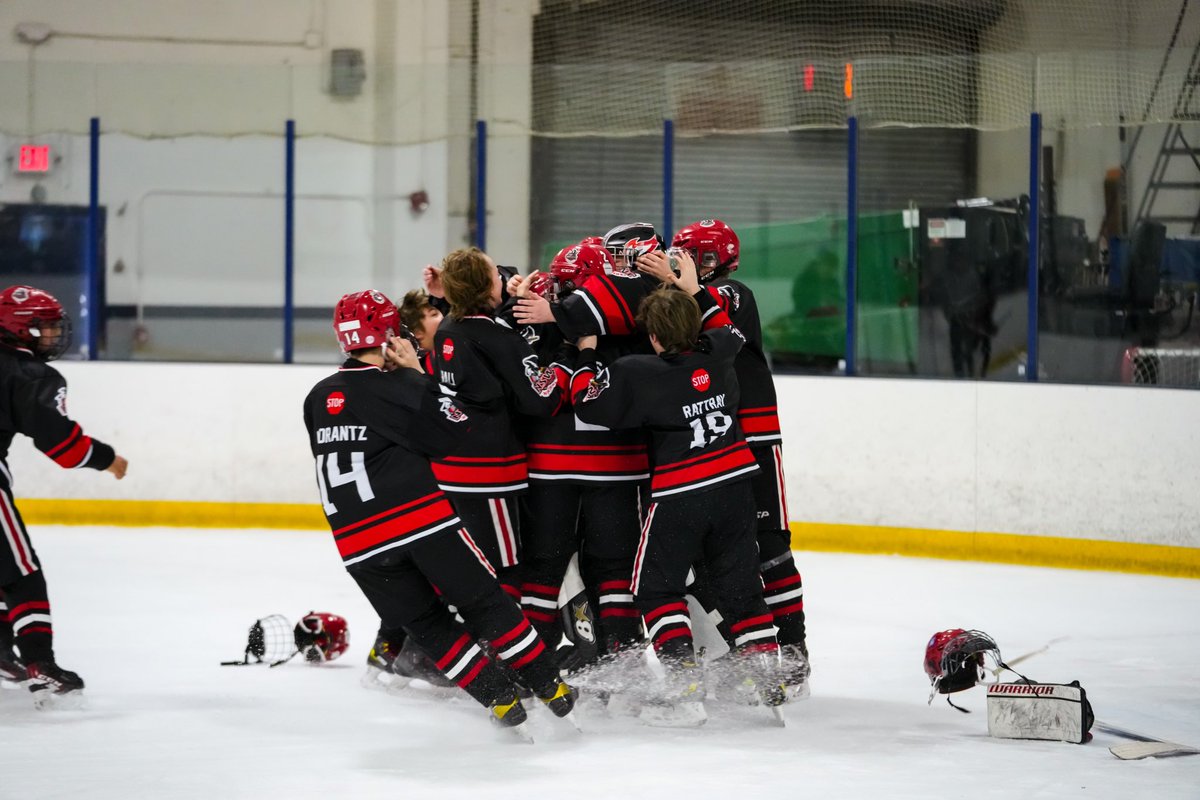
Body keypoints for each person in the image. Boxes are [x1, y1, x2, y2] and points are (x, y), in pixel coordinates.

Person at [302, 289, 575, 732]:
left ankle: (499, 701)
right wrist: (415, 373)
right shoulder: (395, 385)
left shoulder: (317, 397)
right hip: (419, 521)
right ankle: (551, 689)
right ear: (391, 334)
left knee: (428, 626)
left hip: (357, 545)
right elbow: (454, 431)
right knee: (485, 602)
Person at [570, 256, 790, 724]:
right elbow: (724, 325)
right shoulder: (720, 348)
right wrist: (691, 288)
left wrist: (587, 352)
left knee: (655, 588)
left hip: (680, 494)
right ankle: (769, 691)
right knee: (743, 588)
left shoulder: (638, 370)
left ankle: (684, 691)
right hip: (735, 487)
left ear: (652, 336)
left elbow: (590, 404)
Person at [660, 219, 811, 698]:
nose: (685, 266)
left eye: (695, 258)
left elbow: (712, 311)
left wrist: (685, 284)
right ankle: (744, 648)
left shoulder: (734, 291)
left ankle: (794, 654)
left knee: (771, 548)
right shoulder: (688, 297)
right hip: (717, 448)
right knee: (718, 554)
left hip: (757, 440)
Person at [511, 243, 649, 663]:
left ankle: (533, 660)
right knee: (615, 569)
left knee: (544, 565)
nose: (561, 288)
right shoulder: (638, 324)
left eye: (569, 281)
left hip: (551, 466)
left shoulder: (543, 318)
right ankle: (622, 658)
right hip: (618, 467)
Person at [0, 285, 128, 700]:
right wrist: (107, 458)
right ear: (21, 330)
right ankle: (41, 664)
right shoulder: (30, 374)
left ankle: (2, 651)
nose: (54, 337)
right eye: (45, 329)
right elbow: (63, 447)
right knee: (22, 574)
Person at [430, 249, 571, 601]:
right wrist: (571, 355)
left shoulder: (448, 327)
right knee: (505, 567)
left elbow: (488, 339)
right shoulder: (495, 336)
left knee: (470, 563)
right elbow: (544, 399)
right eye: (495, 275)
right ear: (483, 286)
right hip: (488, 470)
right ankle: (504, 652)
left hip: (449, 465)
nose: (503, 278)